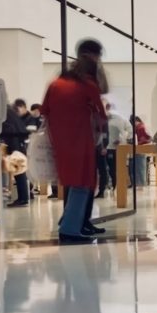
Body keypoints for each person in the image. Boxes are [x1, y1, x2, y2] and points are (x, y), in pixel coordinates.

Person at [41, 39, 109, 241]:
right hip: (81, 140)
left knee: (70, 181)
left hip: (60, 141)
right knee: (83, 182)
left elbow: (45, 111)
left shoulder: (55, 84)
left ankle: (70, 222)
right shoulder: (88, 85)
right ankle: (70, 228)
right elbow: (101, 116)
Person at [1, 100, 31, 207]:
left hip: (14, 144)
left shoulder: (5, 113)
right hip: (19, 143)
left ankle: (23, 199)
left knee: (19, 172)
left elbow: (8, 129)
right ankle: (23, 198)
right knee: (20, 171)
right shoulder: (11, 111)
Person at [104, 103, 131, 195]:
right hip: (108, 148)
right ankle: (114, 186)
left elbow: (129, 131)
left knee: (117, 168)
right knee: (111, 169)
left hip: (117, 148)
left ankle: (118, 186)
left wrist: (121, 139)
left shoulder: (121, 119)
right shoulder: (105, 119)